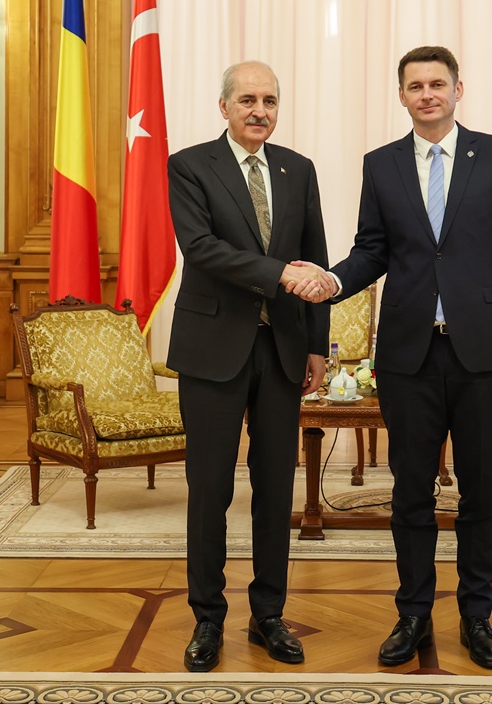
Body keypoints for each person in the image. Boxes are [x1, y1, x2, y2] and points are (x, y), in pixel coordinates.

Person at [293, 45, 492, 669]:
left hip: (484, 357)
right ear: (401, 95)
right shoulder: (381, 165)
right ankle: (412, 614)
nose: (427, 94)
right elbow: (371, 251)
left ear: (459, 89)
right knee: (410, 493)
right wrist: (331, 280)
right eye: (415, 85)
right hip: (409, 358)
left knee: (482, 491)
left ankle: (478, 617)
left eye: (437, 83)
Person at [166, 60, 332, 672]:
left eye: (269, 100)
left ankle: (269, 615)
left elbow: (314, 258)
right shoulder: (189, 165)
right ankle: (208, 619)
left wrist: (317, 345)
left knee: (275, 487)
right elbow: (201, 249)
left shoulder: (298, 169)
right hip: (213, 349)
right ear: (224, 106)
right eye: (247, 100)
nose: (259, 110)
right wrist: (278, 273)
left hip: (282, 349)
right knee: (210, 488)